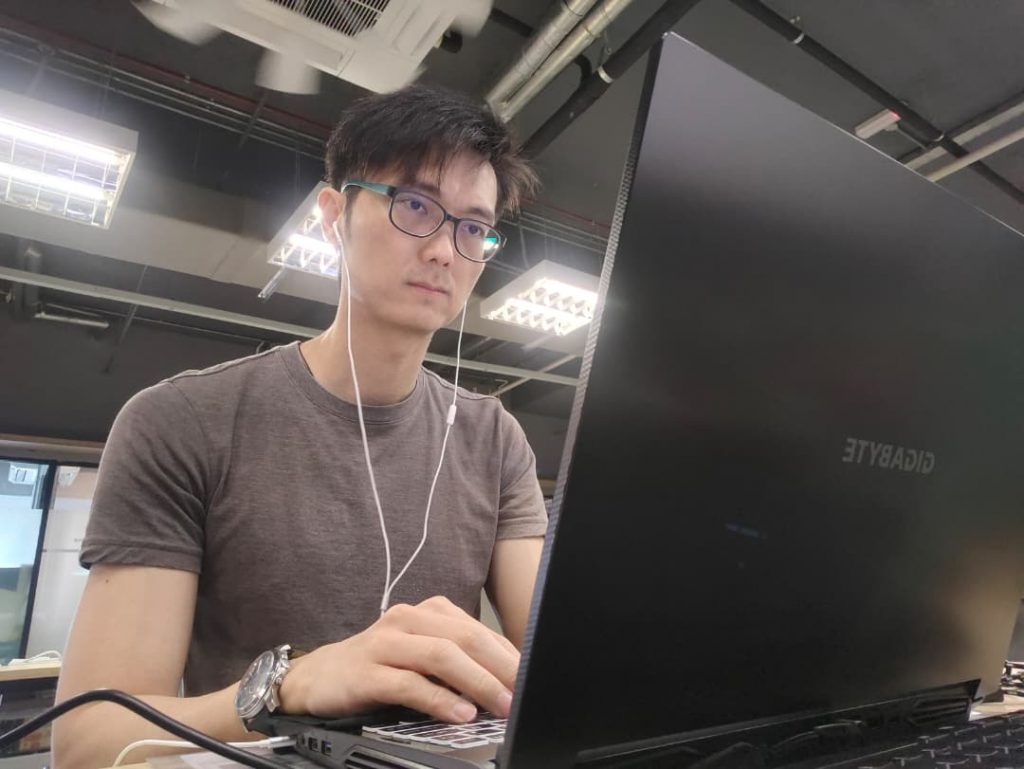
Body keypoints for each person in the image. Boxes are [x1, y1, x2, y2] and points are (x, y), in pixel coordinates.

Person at [54, 84, 546, 769]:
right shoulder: (183, 423)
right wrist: (288, 689)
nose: (444, 250)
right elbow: (87, 744)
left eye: (472, 228)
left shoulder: (493, 439)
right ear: (334, 216)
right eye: (415, 205)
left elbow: (553, 669)